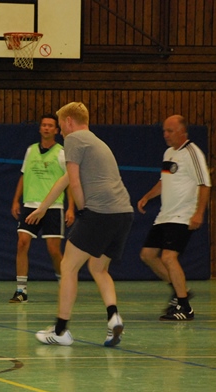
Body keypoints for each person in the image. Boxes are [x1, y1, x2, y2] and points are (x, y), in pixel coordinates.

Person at [26, 102, 133, 347]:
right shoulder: (97, 143)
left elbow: (74, 183)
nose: (61, 132)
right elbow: (64, 180)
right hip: (123, 214)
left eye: (60, 125)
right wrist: (43, 208)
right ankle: (113, 317)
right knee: (98, 268)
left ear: (69, 122)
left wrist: (83, 210)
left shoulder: (74, 140)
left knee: (68, 266)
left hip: (100, 213)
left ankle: (61, 330)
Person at [137, 115, 211, 321]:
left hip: (183, 215)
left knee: (169, 258)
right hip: (165, 215)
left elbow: (205, 184)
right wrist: (147, 196)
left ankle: (185, 307)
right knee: (148, 255)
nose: (165, 135)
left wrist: (199, 212)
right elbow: (164, 181)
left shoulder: (192, 152)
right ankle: (180, 291)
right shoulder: (168, 153)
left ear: (182, 132)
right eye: (164, 131)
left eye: (170, 131)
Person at [9, 114, 75, 303]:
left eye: (50, 125)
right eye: (44, 125)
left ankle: (64, 285)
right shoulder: (31, 151)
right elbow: (24, 176)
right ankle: (21, 291)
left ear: (56, 130)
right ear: (40, 128)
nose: (46, 128)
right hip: (30, 205)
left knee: (54, 250)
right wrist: (16, 201)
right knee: (22, 243)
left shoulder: (62, 153)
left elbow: (69, 182)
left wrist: (71, 208)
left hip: (53, 207)